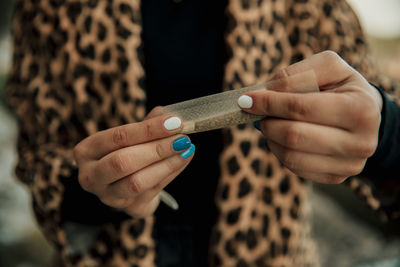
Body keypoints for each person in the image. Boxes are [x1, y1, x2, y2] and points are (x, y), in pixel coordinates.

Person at [5, 0, 400, 266]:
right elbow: (38, 154)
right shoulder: (51, 8)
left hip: (269, 253)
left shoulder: (306, 5)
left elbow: (369, 94)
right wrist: (92, 190)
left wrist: (386, 133)